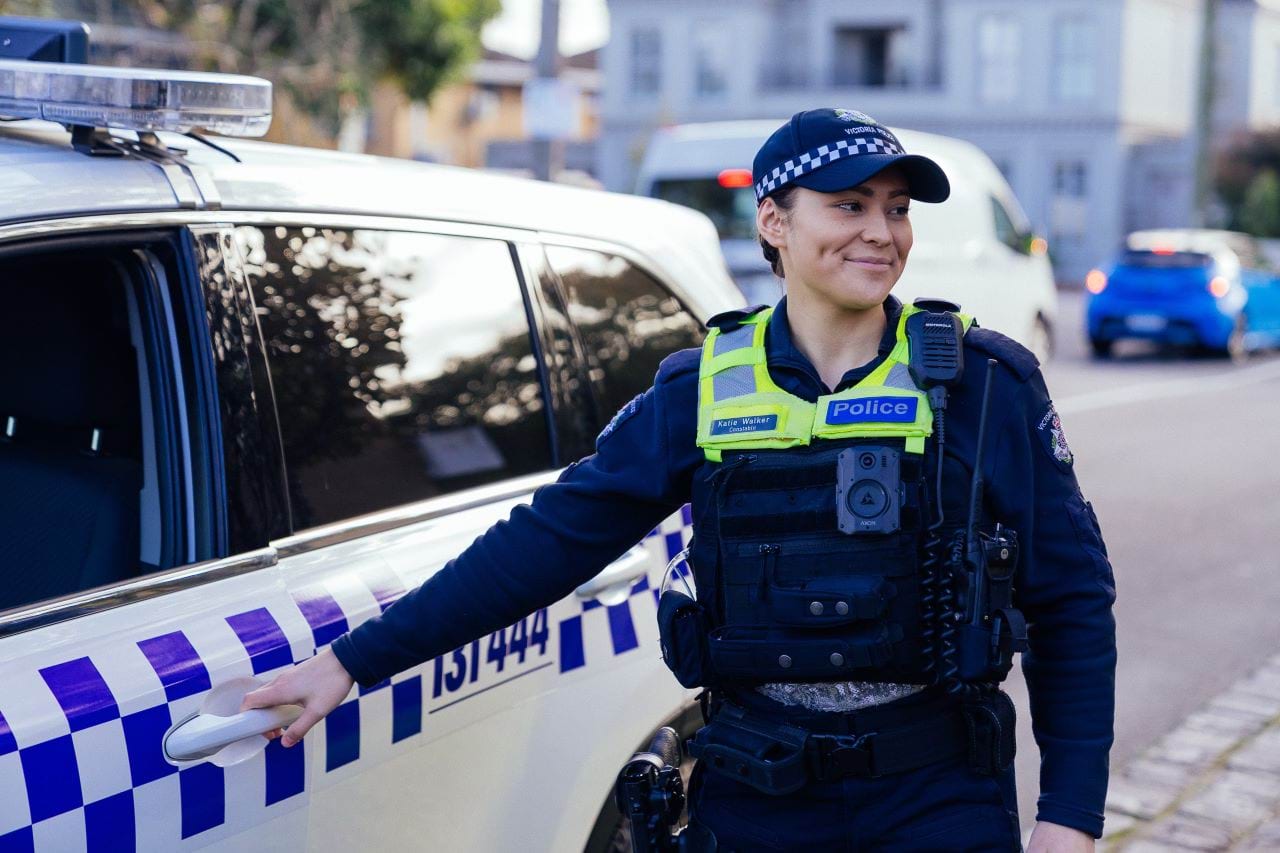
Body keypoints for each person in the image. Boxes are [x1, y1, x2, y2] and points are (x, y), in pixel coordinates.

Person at [243, 108, 1117, 852]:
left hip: (937, 794)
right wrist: (353, 662)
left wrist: (1069, 816)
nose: (881, 232)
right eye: (848, 204)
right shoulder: (700, 390)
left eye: (895, 209)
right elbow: (547, 542)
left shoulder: (985, 384)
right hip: (755, 790)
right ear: (774, 221)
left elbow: (1070, 599)